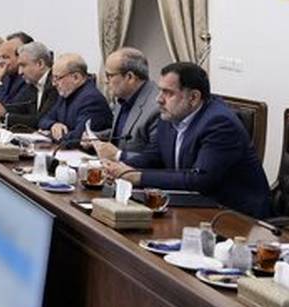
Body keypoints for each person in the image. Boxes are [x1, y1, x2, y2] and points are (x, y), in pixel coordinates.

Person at [101, 62, 271, 218]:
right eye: (160, 90)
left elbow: (200, 180)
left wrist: (138, 177)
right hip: (191, 205)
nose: (159, 99)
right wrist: (118, 168)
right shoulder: (170, 115)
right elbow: (154, 157)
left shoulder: (219, 123)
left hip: (236, 217)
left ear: (194, 98)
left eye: (168, 93)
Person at [85, 48, 160, 158]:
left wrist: (119, 155)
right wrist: (96, 138)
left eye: (109, 75)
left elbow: (156, 159)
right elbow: (123, 133)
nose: (106, 81)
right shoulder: (123, 97)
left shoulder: (157, 107)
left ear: (130, 77)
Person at [38, 53, 113, 144]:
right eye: (53, 79)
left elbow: (78, 138)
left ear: (76, 78)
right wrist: (53, 125)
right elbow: (44, 119)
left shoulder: (91, 100)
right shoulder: (65, 94)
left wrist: (49, 134)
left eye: (58, 78)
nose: (54, 84)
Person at [0, 41, 56, 131]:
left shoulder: (54, 84)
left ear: (40, 64)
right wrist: (1, 109)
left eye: (23, 65)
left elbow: (40, 119)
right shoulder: (33, 84)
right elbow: (23, 107)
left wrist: (5, 115)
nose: (20, 72)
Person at [0, 36, 27, 109]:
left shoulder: (26, 78)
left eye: (5, 57)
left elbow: (9, 107)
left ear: (19, 58)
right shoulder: (4, 75)